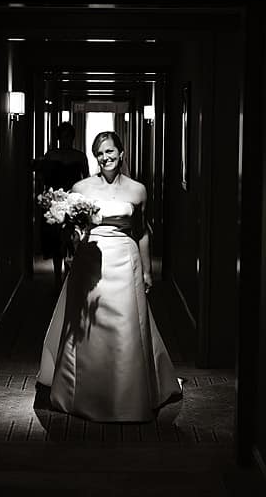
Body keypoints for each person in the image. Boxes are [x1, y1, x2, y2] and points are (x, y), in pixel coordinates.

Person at [36, 131, 182, 423]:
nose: (106, 158)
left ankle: (130, 393)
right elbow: (73, 231)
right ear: (95, 156)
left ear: (122, 153)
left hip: (125, 260)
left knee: (127, 325)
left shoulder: (137, 190)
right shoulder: (82, 187)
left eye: (110, 152)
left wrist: (148, 270)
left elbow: (141, 232)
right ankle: (85, 391)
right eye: (100, 153)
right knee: (89, 325)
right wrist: (71, 241)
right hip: (91, 259)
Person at [36, 122, 89, 291]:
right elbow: (43, 178)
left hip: (74, 200)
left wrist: (83, 202)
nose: (66, 139)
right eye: (63, 136)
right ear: (59, 138)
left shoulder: (80, 156)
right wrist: (45, 198)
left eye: (69, 136)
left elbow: (86, 179)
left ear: (73, 138)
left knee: (71, 240)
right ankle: (57, 277)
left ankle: (69, 276)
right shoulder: (51, 155)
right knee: (55, 242)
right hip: (54, 201)